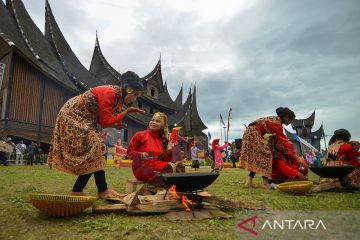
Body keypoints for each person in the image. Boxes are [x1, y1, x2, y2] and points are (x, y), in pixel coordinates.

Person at [48, 71, 145, 198]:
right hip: (73, 114)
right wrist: (126, 112)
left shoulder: (118, 99)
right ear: (129, 89)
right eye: (135, 95)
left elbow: (102, 118)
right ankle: (94, 190)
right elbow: (104, 122)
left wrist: (115, 124)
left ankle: (97, 190)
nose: (135, 99)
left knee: (96, 149)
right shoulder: (110, 93)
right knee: (97, 147)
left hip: (88, 118)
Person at [240, 107, 305, 188]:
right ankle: (265, 183)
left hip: (251, 132)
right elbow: (284, 141)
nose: (291, 122)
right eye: (291, 120)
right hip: (253, 132)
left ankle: (249, 181)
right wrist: (296, 156)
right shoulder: (277, 123)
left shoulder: (275, 121)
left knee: (259, 157)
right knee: (267, 155)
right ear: (286, 117)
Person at [127, 112, 177, 192]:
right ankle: (151, 190)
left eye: (157, 121)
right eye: (152, 120)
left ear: (163, 126)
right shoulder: (140, 135)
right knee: (168, 169)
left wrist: (168, 151)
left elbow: (165, 160)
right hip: (141, 167)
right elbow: (129, 152)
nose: (153, 122)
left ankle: (170, 192)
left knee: (177, 167)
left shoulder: (163, 140)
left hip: (157, 166)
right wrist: (140, 155)